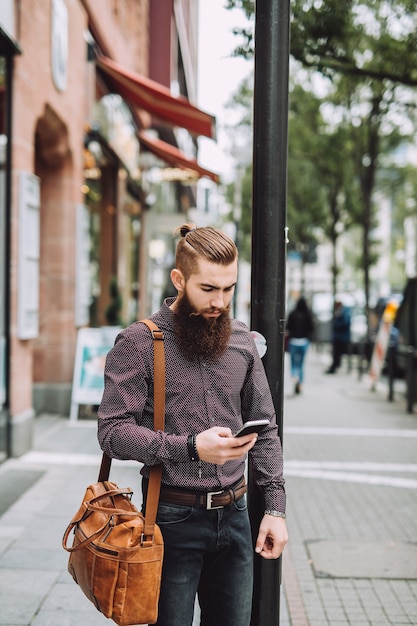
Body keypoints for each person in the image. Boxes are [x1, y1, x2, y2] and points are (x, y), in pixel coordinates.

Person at [98, 223, 287, 626]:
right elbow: (112, 431)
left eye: (229, 288)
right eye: (208, 289)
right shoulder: (138, 343)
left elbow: (266, 428)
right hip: (168, 520)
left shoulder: (242, 341)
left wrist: (274, 508)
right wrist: (190, 447)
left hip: (236, 518)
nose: (220, 301)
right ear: (179, 279)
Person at [286, 296, 314, 394]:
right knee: (301, 364)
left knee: (293, 363)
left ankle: (295, 377)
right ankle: (300, 384)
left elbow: (287, 327)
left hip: (293, 341)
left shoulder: (292, 314)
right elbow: (311, 329)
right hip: (304, 342)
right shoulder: (308, 315)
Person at [326, 299, 351, 374]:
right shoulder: (341, 311)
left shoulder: (343, 312)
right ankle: (335, 366)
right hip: (339, 337)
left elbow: (345, 323)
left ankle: (335, 367)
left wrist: (336, 324)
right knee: (336, 353)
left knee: (337, 353)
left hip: (341, 337)